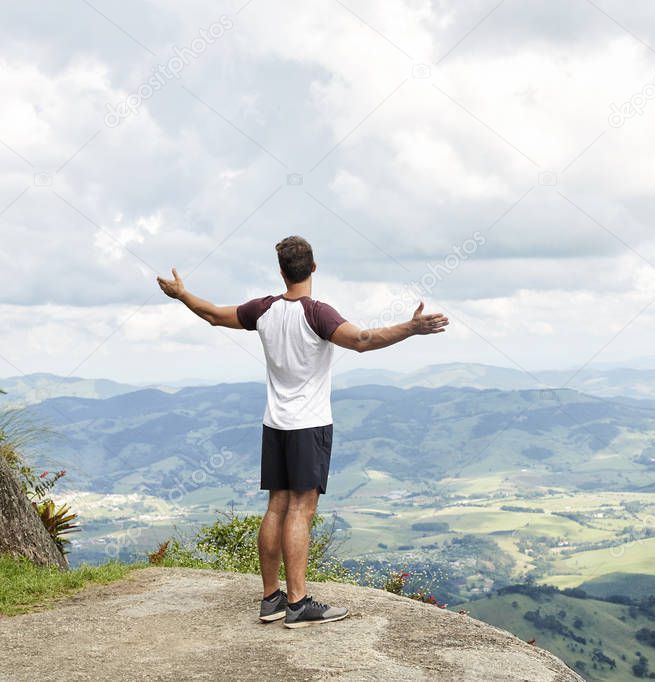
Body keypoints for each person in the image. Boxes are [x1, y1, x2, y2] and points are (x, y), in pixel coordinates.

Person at [156, 235, 449, 628]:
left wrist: (181, 294)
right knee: (301, 509)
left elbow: (212, 314)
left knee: (277, 504)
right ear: (313, 268)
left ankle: (271, 598)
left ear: (281, 271)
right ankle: (297, 604)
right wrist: (412, 328)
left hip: (274, 424)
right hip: (308, 426)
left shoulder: (263, 310)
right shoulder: (317, 313)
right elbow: (362, 341)